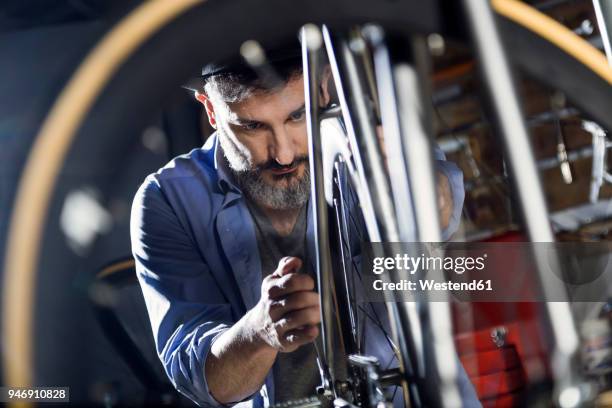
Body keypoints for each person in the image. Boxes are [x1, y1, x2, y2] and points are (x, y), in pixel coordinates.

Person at [130, 46, 474, 407]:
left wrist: (416, 185)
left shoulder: (366, 141)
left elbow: (438, 210)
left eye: (297, 116)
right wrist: (261, 330)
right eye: (252, 126)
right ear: (211, 110)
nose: (283, 154)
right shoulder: (167, 200)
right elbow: (207, 381)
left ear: (323, 90)